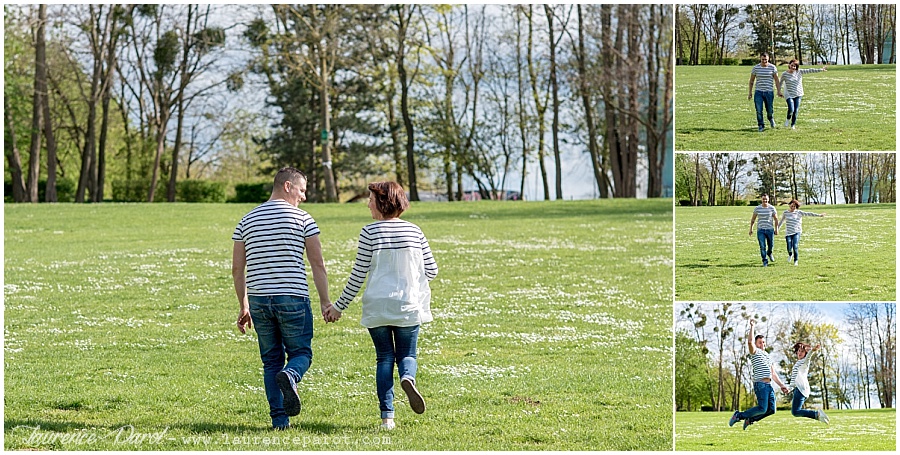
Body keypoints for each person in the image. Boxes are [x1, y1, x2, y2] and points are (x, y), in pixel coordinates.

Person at [324, 181, 438, 431]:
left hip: (377, 305)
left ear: (382, 202)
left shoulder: (369, 232)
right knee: (407, 354)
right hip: (407, 304)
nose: (367, 203)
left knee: (384, 358)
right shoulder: (414, 231)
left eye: (371, 199)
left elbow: (357, 275)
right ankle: (408, 378)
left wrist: (338, 307)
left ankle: (388, 418)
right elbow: (432, 269)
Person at [232, 167, 333, 430]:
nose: (304, 197)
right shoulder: (303, 219)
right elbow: (317, 264)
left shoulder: (246, 220)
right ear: (287, 186)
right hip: (292, 297)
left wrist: (243, 304)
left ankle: (279, 421)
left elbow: (237, 268)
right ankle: (291, 375)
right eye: (302, 190)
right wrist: (325, 301)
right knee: (301, 353)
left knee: (271, 361)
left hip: (259, 300)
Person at [729, 319, 790, 430]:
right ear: (756, 344)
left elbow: (773, 374)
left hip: (769, 385)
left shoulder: (767, 355)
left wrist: (782, 386)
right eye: (760, 342)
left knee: (772, 409)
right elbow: (749, 342)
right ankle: (739, 415)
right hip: (760, 384)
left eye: (763, 342)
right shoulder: (755, 352)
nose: (762, 344)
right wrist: (752, 326)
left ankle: (750, 419)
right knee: (762, 408)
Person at [786, 342, 830, 424]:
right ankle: (817, 416)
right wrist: (789, 389)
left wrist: (812, 351)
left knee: (795, 411)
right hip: (798, 389)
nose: (799, 353)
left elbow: (808, 357)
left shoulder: (804, 362)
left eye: (802, 351)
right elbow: (794, 379)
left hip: (800, 389)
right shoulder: (797, 364)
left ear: (805, 353)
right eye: (798, 351)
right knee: (795, 411)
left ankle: (816, 414)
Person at [778, 59, 827, 129]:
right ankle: (788, 119)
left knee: (796, 110)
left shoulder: (799, 72)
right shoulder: (784, 74)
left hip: (798, 93)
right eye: (792, 65)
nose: (793, 67)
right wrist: (779, 91)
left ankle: (793, 125)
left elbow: (810, 70)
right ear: (789, 65)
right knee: (791, 109)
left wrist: (821, 69)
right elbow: (780, 83)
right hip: (789, 94)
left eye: (795, 66)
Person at [777, 199, 825, 266]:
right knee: (789, 246)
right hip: (788, 232)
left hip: (797, 231)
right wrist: (777, 229)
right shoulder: (785, 213)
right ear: (789, 205)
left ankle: (796, 260)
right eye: (792, 206)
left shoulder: (799, 212)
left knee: (795, 246)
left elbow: (809, 214)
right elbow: (781, 221)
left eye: (794, 206)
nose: (793, 207)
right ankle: (790, 254)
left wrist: (819, 215)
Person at [748, 53, 783, 132]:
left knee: (769, 109)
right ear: (760, 59)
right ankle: (761, 125)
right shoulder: (756, 68)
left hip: (769, 92)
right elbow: (751, 81)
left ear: (768, 59)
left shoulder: (772, 67)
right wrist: (750, 92)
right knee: (759, 110)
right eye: (762, 60)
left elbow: (777, 80)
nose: (764, 61)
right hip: (759, 92)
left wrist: (779, 91)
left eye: (766, 60)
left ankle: (770, 118)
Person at [748, 194, 779, 267]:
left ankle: (769, 253)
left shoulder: (772, 208)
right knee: (762, 246)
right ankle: (765, 260)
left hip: (770, 229)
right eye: (763, 199)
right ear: (761, 200)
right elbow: (753, 219)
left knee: (771, 245)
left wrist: (776, 229)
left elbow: (776, 219)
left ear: (768, 200)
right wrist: (751, 229)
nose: (765, 201)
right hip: (761, 230)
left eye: (766, 199)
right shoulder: (757, 208)